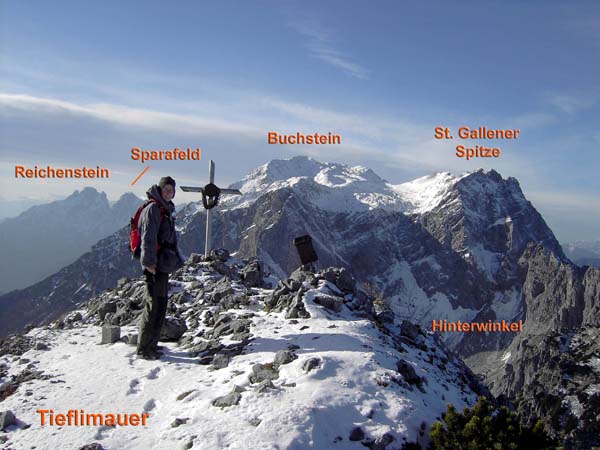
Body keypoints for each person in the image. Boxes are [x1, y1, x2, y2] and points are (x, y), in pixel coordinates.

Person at [136, 176, 184, 360]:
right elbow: (148, 237)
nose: (169, 193)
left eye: (171, 190)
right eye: (166, 189)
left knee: (161, 303)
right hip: (154, 266)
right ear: (160, 189)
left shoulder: (164, 208)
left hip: (162, 264)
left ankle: (152, 345)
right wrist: (149, 264)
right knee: (153, 305)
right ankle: (144, 348)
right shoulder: (154, 208)